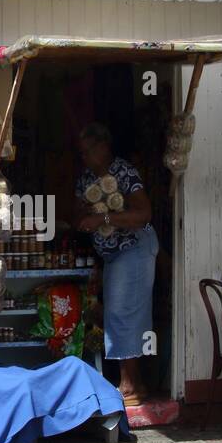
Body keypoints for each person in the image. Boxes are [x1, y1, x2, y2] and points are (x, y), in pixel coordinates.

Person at [74, 122, 157, 406]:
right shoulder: (86, 178)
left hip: (133, 249)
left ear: (104, 148)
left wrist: (104, 219)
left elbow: (143, 213)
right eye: (82, 152)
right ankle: (134, 383)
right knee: (115, 313)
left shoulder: (123, 172)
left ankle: (131, 385)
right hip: (110, 254)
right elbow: (79, 212)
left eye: (88, 150)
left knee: (124, 312)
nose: (84, 156)